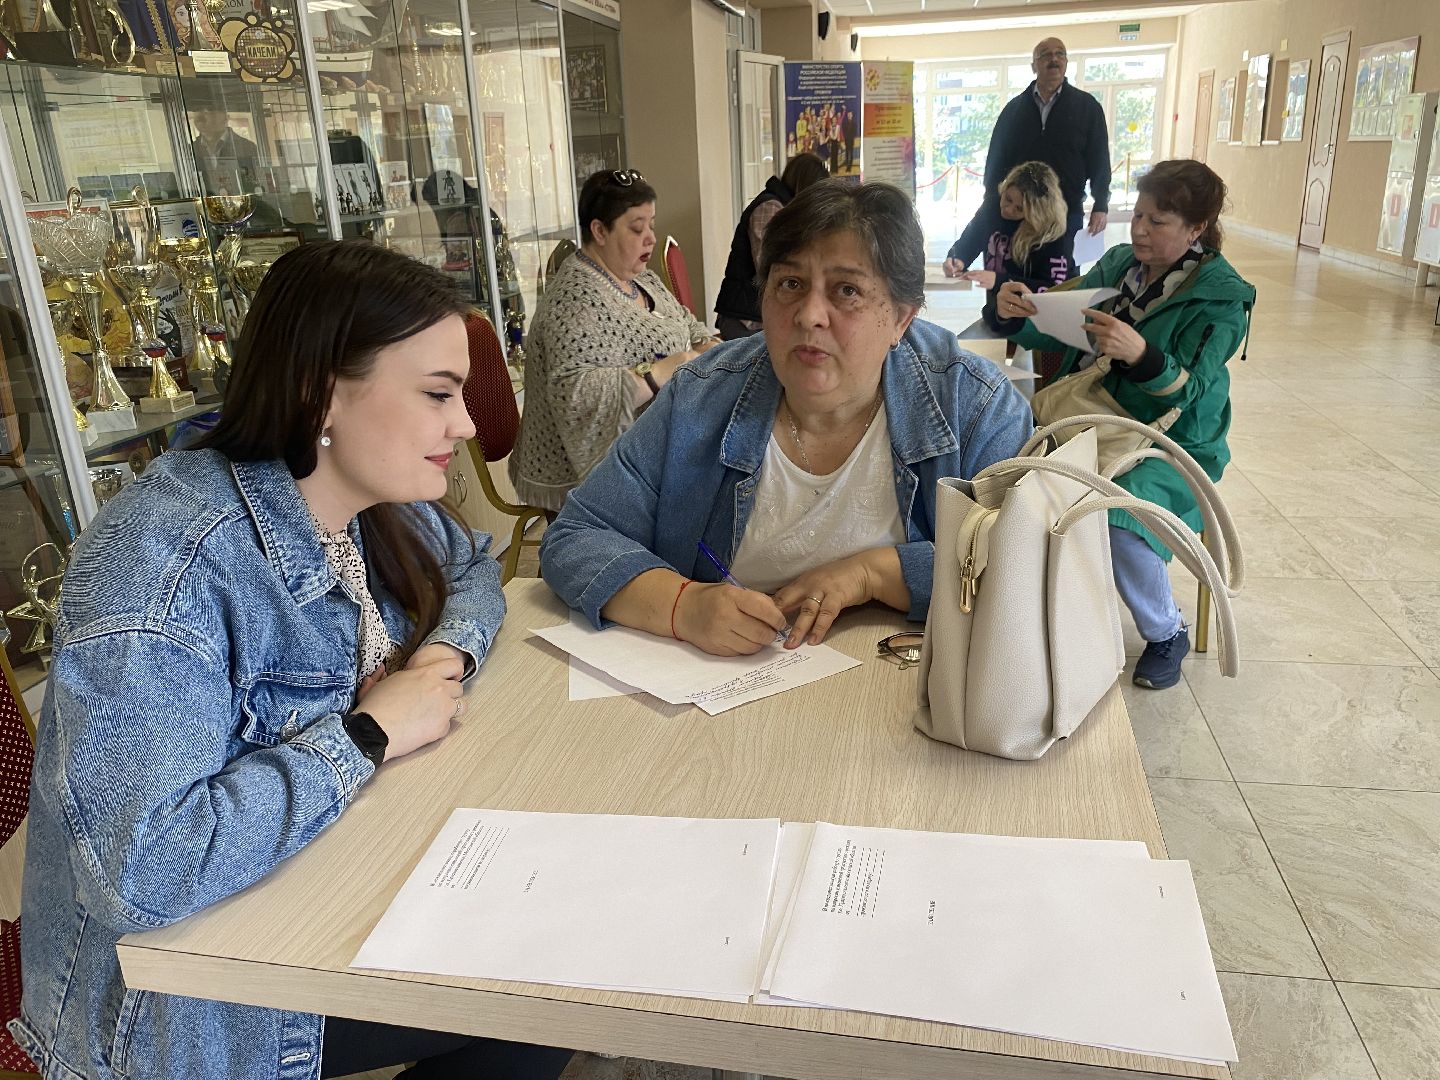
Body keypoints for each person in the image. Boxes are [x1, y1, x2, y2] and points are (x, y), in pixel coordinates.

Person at [12, 241, 575, 1080]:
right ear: (321, 393)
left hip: (318, 879)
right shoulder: (163, 569)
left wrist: (446, 657)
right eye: (437, 395)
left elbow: (471, 569)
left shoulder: (358, 498)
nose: (466, 425)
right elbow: (146, 873)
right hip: (181, 1012)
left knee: (548, 919)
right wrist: (367, 737)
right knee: (536, 996)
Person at [540, 179, 1034, 656]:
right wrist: (683, 606)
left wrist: (874, 573)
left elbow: (1025, 565)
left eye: (846, 291)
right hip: (721, 693)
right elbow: (576, 536)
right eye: (791, 284)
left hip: (900, 689)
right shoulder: (700, 399)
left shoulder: (974, 406)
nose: (809, 315)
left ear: (902, 318)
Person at [994, 159, 1255, 691]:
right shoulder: (1119, 265)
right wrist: (1022, 310)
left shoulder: (1221, 297)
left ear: (1197, 228)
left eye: (1158, 221)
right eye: (1137, 215)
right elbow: (1066, 326)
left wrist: (1142, 355)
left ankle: (1166, 632)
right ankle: (1045, 613)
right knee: (1009, 474)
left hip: (1175, 441)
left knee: (1115, 512)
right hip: (1096, 419)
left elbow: (1194, 389)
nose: (1138, 230)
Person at [509, 168, 716, 513]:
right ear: (599, 230)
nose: (650, 237)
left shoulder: (642, 279)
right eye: (637, 228)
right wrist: (658, 372)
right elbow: (576, 394)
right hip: (578, 482)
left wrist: (707, 349)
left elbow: (688, 326)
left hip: (649, 453)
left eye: (651, 224)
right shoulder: (574, 300)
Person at [944, 37, 1110, 275]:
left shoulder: (1087, 107)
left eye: (1059, 53)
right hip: (1017, 211)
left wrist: (1101, 203)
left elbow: (1099, 159)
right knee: (1012, 272)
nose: (1053, 59)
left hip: (1065, 211)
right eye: (1045, 54)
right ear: (1034, 65)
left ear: (1066, 61)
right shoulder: (1014, 110)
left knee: (1060, 280)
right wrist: (960, 254)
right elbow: (996, 163)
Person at [950, 160, 1077, 332]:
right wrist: (957, 258)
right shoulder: (992, 207)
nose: (1008, 210)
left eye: (1019, 208)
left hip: (1038, 320)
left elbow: (1052, 290)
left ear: (1035, 213)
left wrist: (999, 280)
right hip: (1000, 310)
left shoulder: (1052, 234)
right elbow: (971, 238)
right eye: (1007, 199)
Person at [715, 152, 829, 340]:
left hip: (756, 314)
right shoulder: (769, 208)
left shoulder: (784, 209)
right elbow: (771, 266)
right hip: (745, 318)